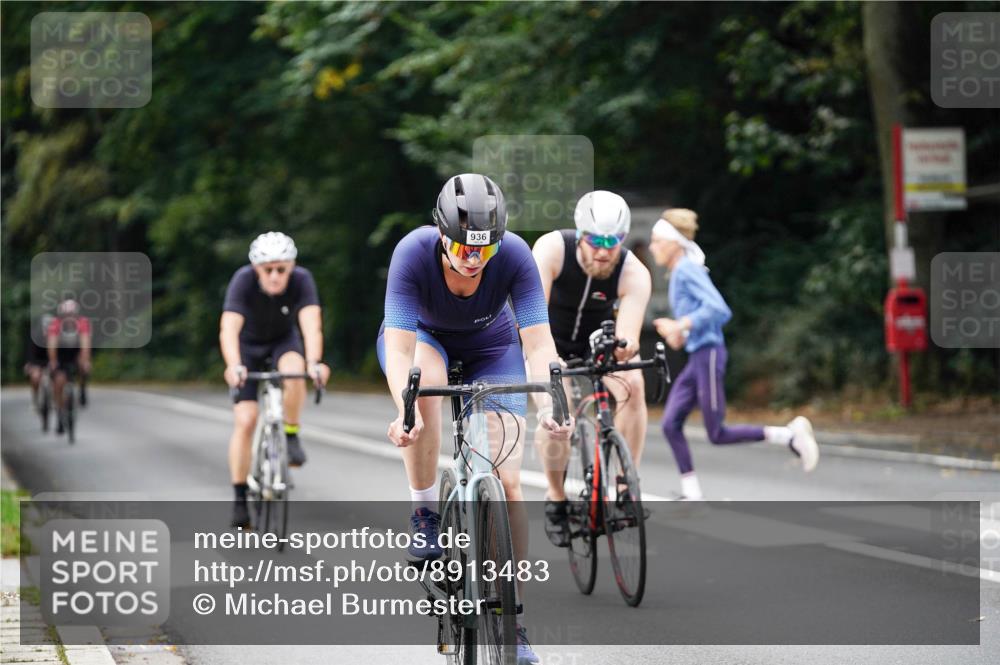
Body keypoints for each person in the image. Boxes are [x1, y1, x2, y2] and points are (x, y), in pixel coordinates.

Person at [379, 173, 572, 665]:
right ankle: (424, 510)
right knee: (425, 386)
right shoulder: (412, 252)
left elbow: (537, 343)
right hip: (424, 339)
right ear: (442, 233)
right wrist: (404, 407)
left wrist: (550, 404)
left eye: (483, 250)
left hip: (493, 347)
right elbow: (400, 349)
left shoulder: (514, 256)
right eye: (462, 246)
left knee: (508, 482)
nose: (472, 258)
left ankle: (514, 620)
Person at [649, 208, 819, 500]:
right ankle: (692, 493)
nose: (652, 248)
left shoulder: (687, 270)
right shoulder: (679, 272)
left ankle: (790, 435)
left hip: (709, 354)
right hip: (697, 355)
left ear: (673, 242)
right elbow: (700, 318)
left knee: (716, 432)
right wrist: (680, 333)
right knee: (670, 423)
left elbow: (719, 309)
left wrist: (682, 324)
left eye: (657, 241)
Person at [530, 190, 651, 546]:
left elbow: (628, 335)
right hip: (545, 341)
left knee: (634, 383)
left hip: (596, 342)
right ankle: (556, 498)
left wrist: (624, 348)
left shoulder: (634, 272)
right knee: (557, 417)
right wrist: (549, 362)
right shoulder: (552, 249)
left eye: (613, 242)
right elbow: (532, 320)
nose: (603, 250)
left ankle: (627, 485)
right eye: (595, 240)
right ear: (580, 234)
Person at [220, 232, 330, 528]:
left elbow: (311, 326)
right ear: (256, 269)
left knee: (294, 372)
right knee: (245, 420)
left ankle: (291, 434)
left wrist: (314, 363)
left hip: (283, 341)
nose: (275, 276)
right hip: (248, 347)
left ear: (291, 267)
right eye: (267, 270)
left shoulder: (302, 280)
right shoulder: (242, 280)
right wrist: (233, 366)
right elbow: (228, 329)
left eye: (282, 269)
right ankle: (240, 497)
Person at [47, 300, 91, 434]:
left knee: (85, 366)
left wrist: (85, 361)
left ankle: (83, 387)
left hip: (75, 352)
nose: (69, 317)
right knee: (58, 382)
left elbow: (85, 343)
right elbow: (51, 345)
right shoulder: (55, 324)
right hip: (60, 354)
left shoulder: (82, 323)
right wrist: (53, 361)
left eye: (72, 314)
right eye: (66, 315)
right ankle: (60, 414)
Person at [25, 313, 54, 413]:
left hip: (51, 362)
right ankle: (35, 399)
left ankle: (54, 399)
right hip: (37, 362)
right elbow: (30, 353)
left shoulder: (57, 337)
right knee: (35, 377)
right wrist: (31, 365)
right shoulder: (35, 336)